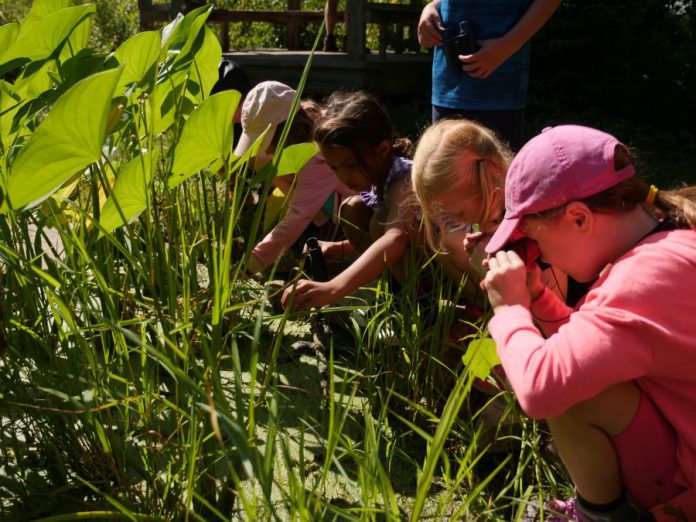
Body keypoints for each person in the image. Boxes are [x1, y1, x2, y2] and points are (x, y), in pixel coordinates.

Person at [481, 125, 696, 521]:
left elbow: (540, 389)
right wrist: (538, 299)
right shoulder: (669, 238)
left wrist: (508, 309)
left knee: (570, 395)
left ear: (578, 218)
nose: (538, 255)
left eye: (535, 240)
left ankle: (600, 515)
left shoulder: (636, 285)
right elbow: (594, 346)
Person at [281, 91, 417, 311]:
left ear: (382, 149)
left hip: (442, 269)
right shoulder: (374, 182)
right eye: (334, 168)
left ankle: (413, 303)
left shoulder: (404, 179)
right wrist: (339, 248)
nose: (343, 177)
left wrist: (334, 288)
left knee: (377, 220)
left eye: (351, 165)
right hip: (407, 256)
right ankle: (383, 288)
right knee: (352, 208)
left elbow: (396, 238)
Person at [411, 118, 566, 307]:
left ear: (487, 185)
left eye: (460, 213)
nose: (457, 221)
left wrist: (488, 271)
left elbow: (554, 318)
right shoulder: (496, 217)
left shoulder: (534, 226)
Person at [234, 81, 355, 277]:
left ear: (284, 132)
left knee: (303, 211)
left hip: (362, 212)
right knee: (267, 164)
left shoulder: (317, 153)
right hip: (325, 201)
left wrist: (247, 267)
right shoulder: (310, 121)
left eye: (268, 141)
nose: (268, 149)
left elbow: (294, 220)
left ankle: (342, 253)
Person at [417, 0, 561, 151]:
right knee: (442, 171)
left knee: (497, 172)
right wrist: (433, 7)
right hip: (447, 86)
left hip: (499, 89)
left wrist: (506, 46)